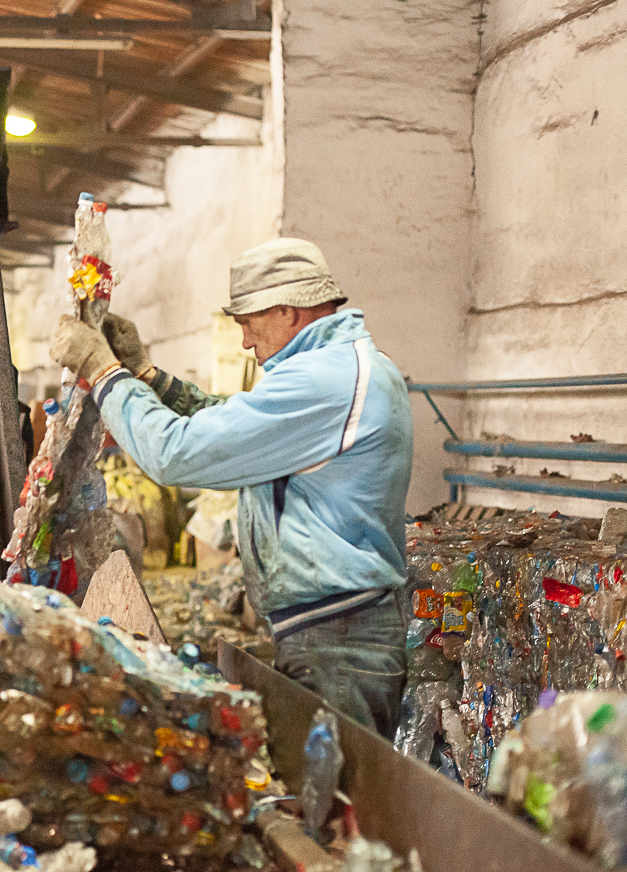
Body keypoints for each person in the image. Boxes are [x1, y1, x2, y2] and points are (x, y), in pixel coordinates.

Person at [50, 238, 413, 740]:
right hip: (336, 630)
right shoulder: (341, 367)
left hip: (341, 641)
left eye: (248, 322)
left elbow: (175, 453)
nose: (244, 341)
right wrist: (146, 377)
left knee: (336, 803)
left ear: (287, 309)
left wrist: (104, 372)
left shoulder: (328, 379)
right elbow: (233, 424)